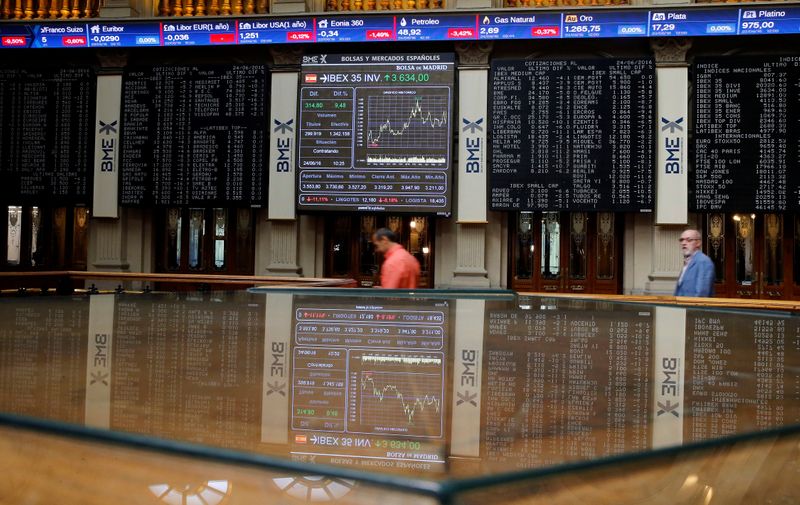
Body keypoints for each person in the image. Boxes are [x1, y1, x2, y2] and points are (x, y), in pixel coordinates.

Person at [674, 228, 715, 297]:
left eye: (688, 240)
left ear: (698, 243)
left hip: (693, 307)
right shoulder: (688, 262)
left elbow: (701, 295)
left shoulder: (703, 262)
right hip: (682, 307)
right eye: (681, 240)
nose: (683, 243)